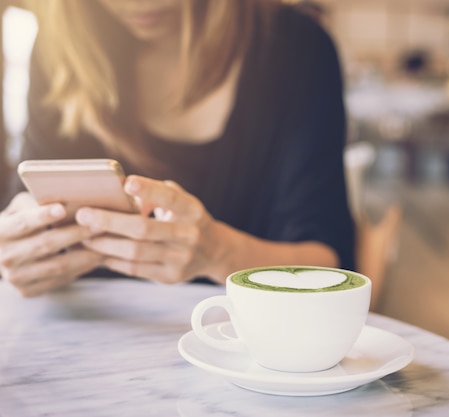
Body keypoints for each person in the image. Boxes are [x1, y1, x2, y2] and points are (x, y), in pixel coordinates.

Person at [0, 0, 355, 297]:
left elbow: (328, 268)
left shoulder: (298, 48)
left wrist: (218, 253)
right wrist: (22, 248)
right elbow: (27, 207)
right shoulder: (62, 50)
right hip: (85, 338)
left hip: (244, 349)